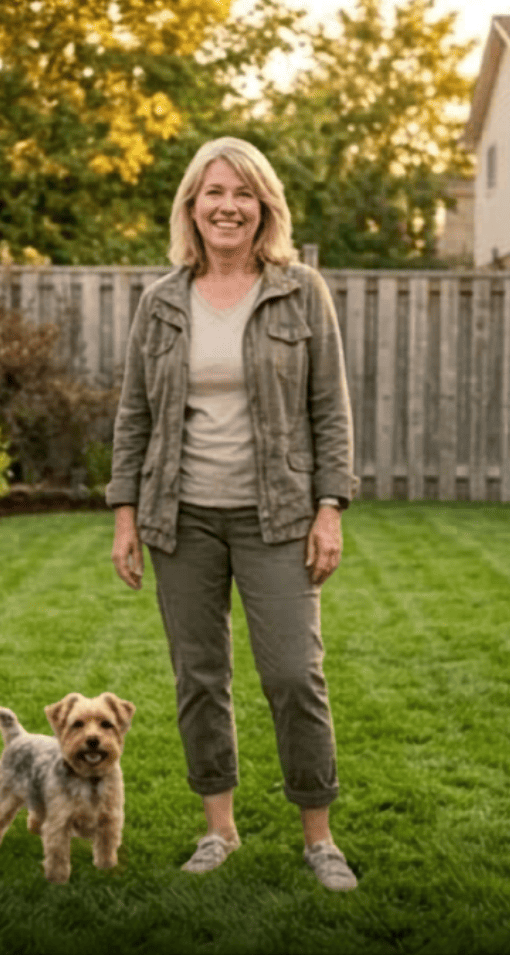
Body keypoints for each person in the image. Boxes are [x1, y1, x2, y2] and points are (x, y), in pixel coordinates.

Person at [106, 136, 359, 891]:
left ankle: (319, 836)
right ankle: (219, 828)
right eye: (214, 192)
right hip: (181, 519)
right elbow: (133, 415)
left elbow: (330, 410)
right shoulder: (162, 301)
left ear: (263, 207)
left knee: (293, 675)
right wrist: (125, 516)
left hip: (276, 517)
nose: (228, 206)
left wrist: (330, 507)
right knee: (200, 677)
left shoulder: (298, 290)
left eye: (243, 193)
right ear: (192, 205)